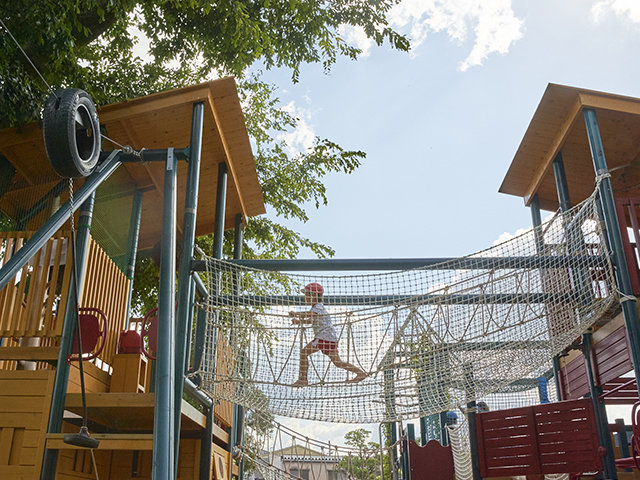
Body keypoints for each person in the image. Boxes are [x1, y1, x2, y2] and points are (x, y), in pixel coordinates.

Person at [289, 282, 367, 386]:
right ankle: (360, 373)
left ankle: (303, 379)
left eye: (307, 295)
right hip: (330, 339)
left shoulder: (318, 307)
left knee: (304, 353)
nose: (304, 298)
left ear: (314, 295)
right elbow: (311, 320)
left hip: (323, 338)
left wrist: (297, 314)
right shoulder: (317, 308)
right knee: (337, 362)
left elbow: (311, 314)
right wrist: (299, 322)